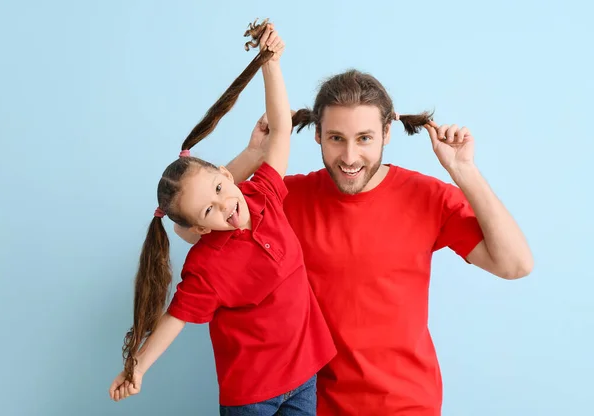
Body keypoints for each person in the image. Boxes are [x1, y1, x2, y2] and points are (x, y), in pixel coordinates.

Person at [176, 69, 534, 415]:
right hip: (315, 405)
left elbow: (514, 264)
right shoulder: (285, 200)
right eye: (336, 138)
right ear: (317, 134)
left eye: (364, 138)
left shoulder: (427, 196)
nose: (349, 157)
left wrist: (464, 171)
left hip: (407, 405)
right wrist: (253, 156)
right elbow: (191, 230)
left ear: (387, 133)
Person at [109, 20, 336, 416]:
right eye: (208, 212)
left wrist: (272, 63)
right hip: (252, 397)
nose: (224, 206)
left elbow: (282, 129)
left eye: (218, 189)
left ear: (226, 175)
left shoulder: (262, 192)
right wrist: (138, 367)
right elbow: (175, 319)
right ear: (198, 227)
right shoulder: (206, 265)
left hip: (303, 377)